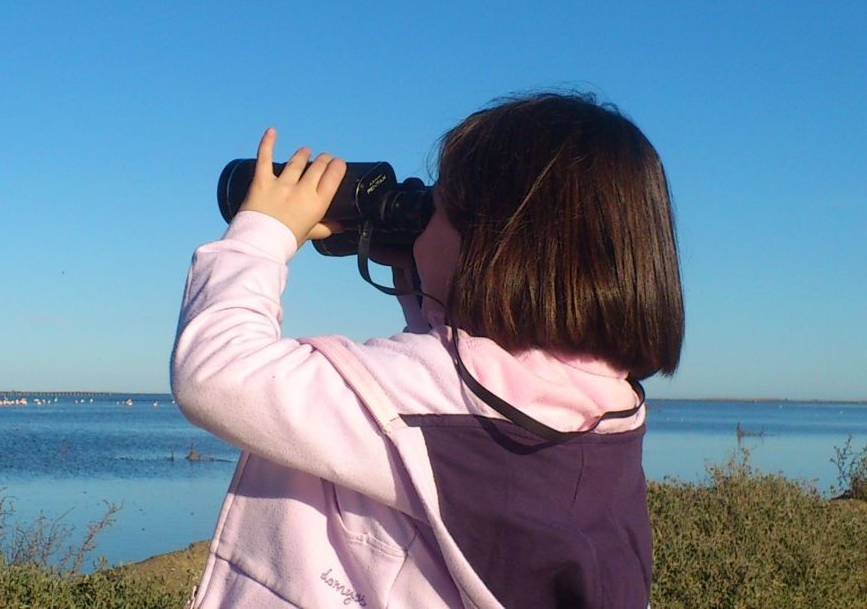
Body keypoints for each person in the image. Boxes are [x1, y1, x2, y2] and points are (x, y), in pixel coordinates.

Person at [171, 92, 684, 608]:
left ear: (489, 245)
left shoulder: (435, 407)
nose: (424, 219)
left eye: (435, 209)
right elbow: (448, 384)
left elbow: (216, 374)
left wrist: (263, 232)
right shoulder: (606, 407)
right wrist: (418, 265)